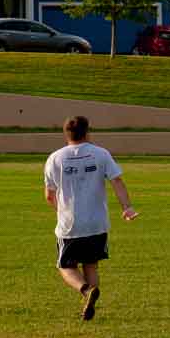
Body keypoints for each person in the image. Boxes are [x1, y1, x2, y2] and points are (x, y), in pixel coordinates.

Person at [44, 116, 138, 321]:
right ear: (87, 132)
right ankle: (89, 302)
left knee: (65, 266)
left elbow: (49, 195)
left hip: (70, 223)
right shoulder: (101, 154)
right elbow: (117, 181)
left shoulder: (55, 158)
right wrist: (127, 207)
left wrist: (61, 211)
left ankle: (86, 291)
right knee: (91, 265)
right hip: (97, 223)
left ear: (66, 134)